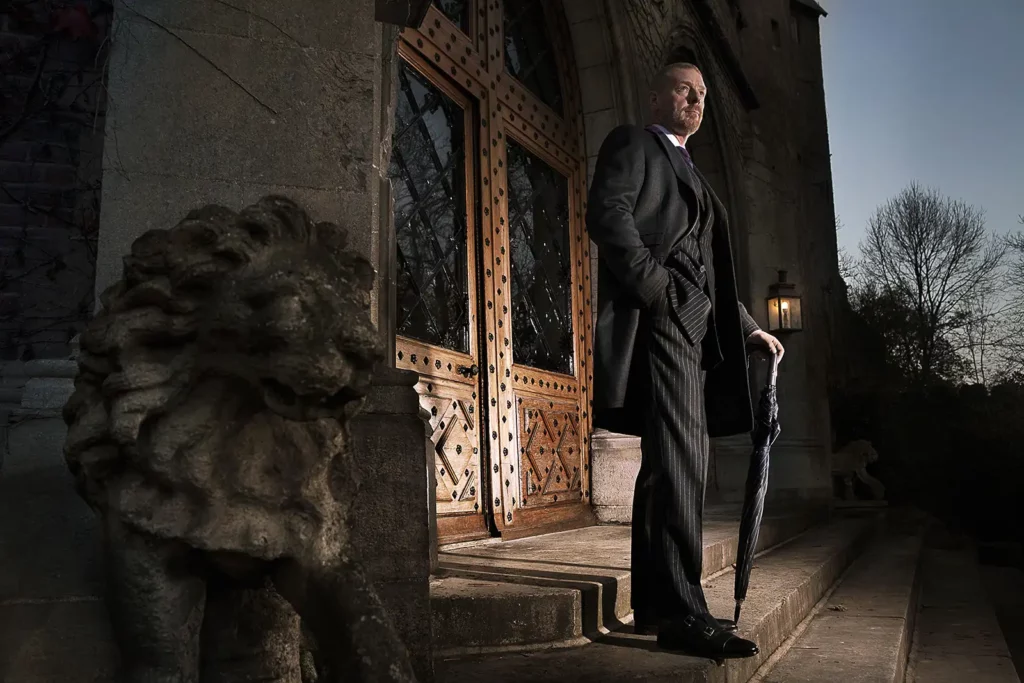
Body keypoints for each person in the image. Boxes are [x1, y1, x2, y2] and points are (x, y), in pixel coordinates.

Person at [587, 62, 784, 660]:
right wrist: (658, 293)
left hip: (694, 324)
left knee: (664, 468)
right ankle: (682, 612)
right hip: (663, 322)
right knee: (683, 463)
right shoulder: (634, 143)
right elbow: (607, 215)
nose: (696, 100)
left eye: (702, 94)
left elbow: (710, 269)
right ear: (656, 96)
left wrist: (749, 327)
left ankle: (654, 604)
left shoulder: (694, 172)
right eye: (684, 89)